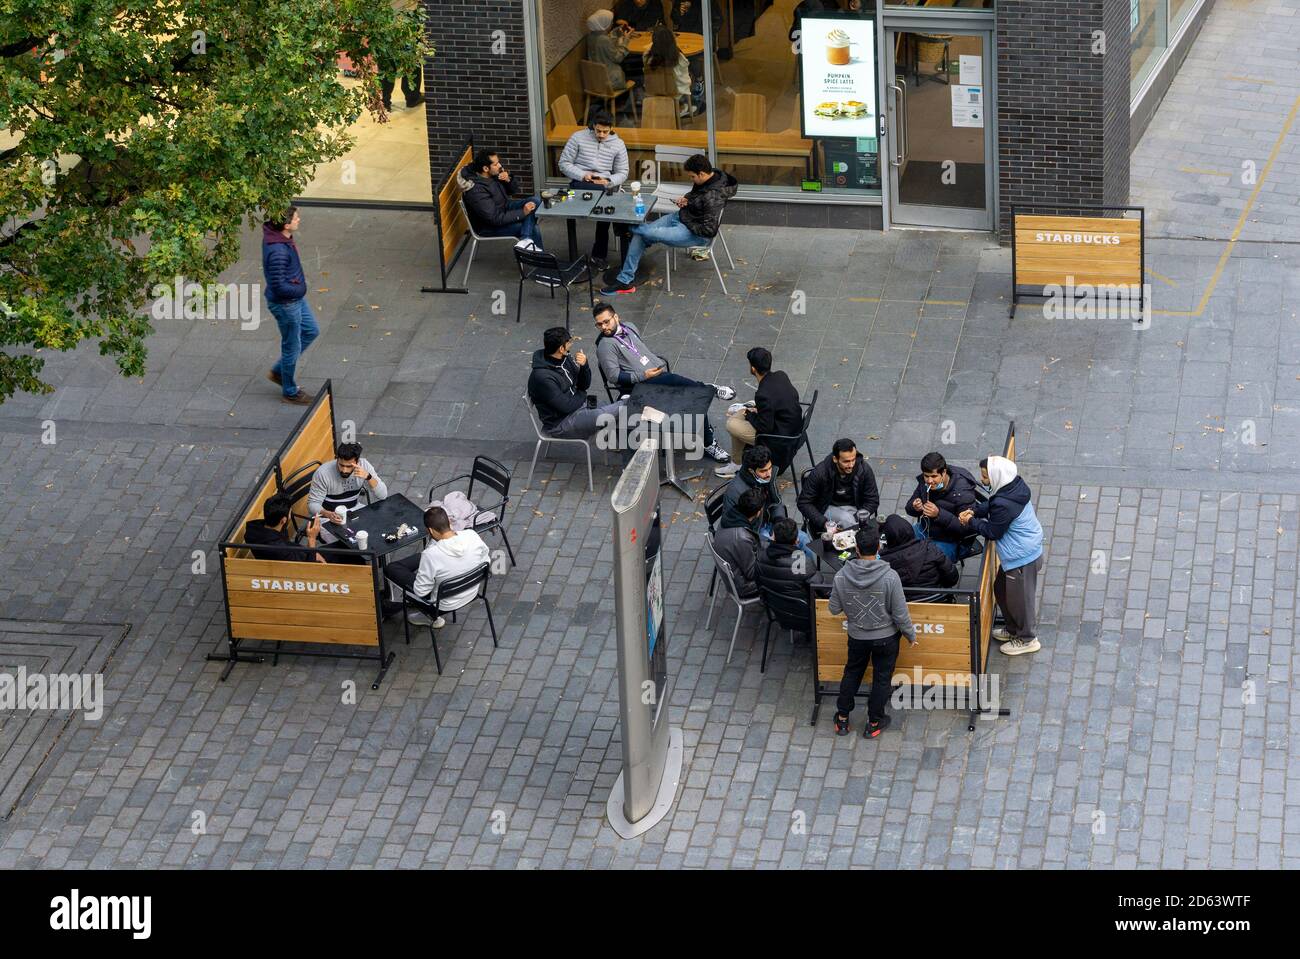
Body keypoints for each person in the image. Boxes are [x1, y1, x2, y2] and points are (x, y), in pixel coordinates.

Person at [593, 303, 733, 462]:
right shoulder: (605, 346)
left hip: (658, 376)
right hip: (640, 387)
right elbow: (613, 376)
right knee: (686, 387)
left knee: (694, 397)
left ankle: (709, 441)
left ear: (616, 317)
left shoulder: (630, 327)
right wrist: (642, 375)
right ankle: (708, 389)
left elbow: (638, 351)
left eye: (606, 321)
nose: (604, 327)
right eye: (599, 324)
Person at [600, 153, 737, 296]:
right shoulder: (711, 176)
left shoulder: (713, 197)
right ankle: (625, 281)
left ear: (701, 174)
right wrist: (687, 199)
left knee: (645, 232)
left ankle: (628, 227)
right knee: (641, 235)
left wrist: (687, 219)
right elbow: (697, 195)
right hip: (682, 217)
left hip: (695, 233)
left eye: (692, 177)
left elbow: (708, 230)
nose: (691, 179)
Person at [829, 522, 917, 739]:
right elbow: (899, 613)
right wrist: (910, 635)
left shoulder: (841, 576)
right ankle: (874, 722)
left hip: (857, 636)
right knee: (881, 678)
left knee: (852, 672)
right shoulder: (890, 577)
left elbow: (833, 608)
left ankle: (842, 718)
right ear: (879, 548)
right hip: (886, 638)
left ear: (856, 549)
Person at [958, 456, 1045, 656]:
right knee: (1001, 589)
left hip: (1022, 559)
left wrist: (971, 521)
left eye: (985, 476)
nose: (983, 480)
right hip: (1021, 555)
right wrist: (975, 510)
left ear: (997, 476)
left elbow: (993, 532)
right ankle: (1013, 629)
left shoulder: (1004, 504)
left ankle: (1027, 639)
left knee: (1020, 601)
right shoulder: (1013, 487)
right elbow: (992, 504)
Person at [383, 506, 491, 626]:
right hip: (471, 591)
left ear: (431, 530)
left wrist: (428, 560)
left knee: (391, 568)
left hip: (442, 605)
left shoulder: (431, 555)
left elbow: (421, 591)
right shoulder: (471, 535)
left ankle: (430, 617)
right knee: (427, 563)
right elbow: (486, 561)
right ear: (449, 522)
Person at [527, 326, 628, 440]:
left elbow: (584, 385)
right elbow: (567, 407)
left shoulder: (564, 357)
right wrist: (582, 394)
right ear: (561, 348)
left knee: (606, 407)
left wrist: (584, 365)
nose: (571, 344)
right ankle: (630, 401)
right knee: (601, 415)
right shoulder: (543, 378)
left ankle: (627, 404)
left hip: (576, 406)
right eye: (569, 342)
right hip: (559, 424)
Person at [558, 111, 628, 269]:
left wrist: (609, 180)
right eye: (598, 131)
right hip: (581, 181)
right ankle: (600, 253)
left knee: (605, 208)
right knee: (607, 206)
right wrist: (583, 175)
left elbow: (623, 172)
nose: (602, 135)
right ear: (592, 127)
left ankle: (598, 255)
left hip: (604, 183)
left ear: (611, 128)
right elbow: (564, 163)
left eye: (605, 131)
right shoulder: (577, 137)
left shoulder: (618, 144)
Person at [262, 207, 318, 405]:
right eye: (296, 218)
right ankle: (290, 391)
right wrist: (299, 290)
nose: (299, 219)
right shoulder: (278, 251)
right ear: (286, 225)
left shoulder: (280, 237)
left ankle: (278, 372)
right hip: (287, 304)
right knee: (291, 347)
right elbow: (278, 285)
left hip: (293, 300)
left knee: (311, 330)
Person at [720, 445, 817, 559]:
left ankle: (810, 572)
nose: (769, 474)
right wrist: (766, 539)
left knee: (804, 539)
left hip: (769, 524)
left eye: (770, 468)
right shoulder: (736, 492)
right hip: (754, 532)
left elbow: (776, 501)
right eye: (763, 471)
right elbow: (738, 528)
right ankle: (791, 573)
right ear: (751, 471)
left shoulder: (766, 478)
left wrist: (779, 522)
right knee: (782, 553)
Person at [718, 347, 802, 477]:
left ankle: (737, 464)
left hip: (778, 438)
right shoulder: (781, 375)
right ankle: (736, 461)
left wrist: (750, 414)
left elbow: (765, 428)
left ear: (753, 368)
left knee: (731, 424)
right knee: (745, 411)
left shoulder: (763, 394)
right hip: (792, 427)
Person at [904, 451, 981, 562]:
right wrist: (914, 507)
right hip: (925, 529)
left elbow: (967, 529)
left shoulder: (963, 494)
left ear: (944, 472)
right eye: (926, 476)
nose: (930, 481)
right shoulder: (925, 482)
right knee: (901, 544)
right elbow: (909, 509)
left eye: (934, 476)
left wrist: (938, 514)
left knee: (929, 565)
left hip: (950, 541)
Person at [459, 149, 543, 249]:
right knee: (533, 228)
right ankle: (538, 261)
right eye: (496, 164)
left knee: (535, 201)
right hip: (489, 227)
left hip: (504, 207)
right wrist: (522, 213)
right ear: (486, 168)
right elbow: (495, 219)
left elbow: (513, 191)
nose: (500, 166)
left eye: (498, 162)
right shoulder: (476, 190)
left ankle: (525, 240)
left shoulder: (492, 174)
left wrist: (508, 180)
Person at [796, 438, 880, 537]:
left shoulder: (864, 469)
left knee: (849, 521)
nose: (851, 465)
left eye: (853, 459)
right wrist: (823, 522)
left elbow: (873, 499)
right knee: (848, 520)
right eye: (846, 461)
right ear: (835, 459)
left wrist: (858, 516)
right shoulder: (820, 473)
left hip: (856, 509)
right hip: (826, 509)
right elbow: (803, 502)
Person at [307, 442, 388, 538]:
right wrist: (328, 514)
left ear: (357, 462)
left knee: (376, 531)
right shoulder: (323, 473)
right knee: (347, 541)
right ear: (337, 459)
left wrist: (369, 477)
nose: (344, 470)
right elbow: (312, 504)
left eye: (349, 466)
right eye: (341, 465)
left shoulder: (364, 466)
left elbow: (383, 495)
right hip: (328, 517)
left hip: (354, 509)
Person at [755, 517, 824, 621]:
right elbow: (821, 588)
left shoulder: (760, 556)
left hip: (775, 606)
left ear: (773, 537)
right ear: (796, 541)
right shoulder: (804, 563)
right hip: (802, 613)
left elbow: (758, 581)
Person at [879, 515, 958, 591]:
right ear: (910, 530)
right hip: (938, 600)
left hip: (905, 603)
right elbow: (952, 578)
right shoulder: (931, 549)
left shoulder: (883, 565)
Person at [712, 487, 765, 598]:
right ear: (758, 512)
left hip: (733, 569)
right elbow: (751, 573)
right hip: (743, 586)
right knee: (782, 576)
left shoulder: (731, 515)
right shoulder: (742, 538)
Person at [244, 495, 326, 564]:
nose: (291, 515)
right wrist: (312, 539)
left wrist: (311, 551)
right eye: (290, 513)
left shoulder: (256, 528)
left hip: (298, 555)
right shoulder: (278, 549)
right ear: (283, 520)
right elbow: (307, 568)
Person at [377, 0, 424, 111]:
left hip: (383, 15)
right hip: (407, 13)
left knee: (386, 62)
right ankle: (412, 97)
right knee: (411, 58)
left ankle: (384, 102)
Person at [645, 24, 694, 119]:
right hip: (673, 90)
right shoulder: (677, 56)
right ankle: (681, 107)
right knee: (691, 75)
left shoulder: (648, 56)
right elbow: (684, 76)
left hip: (654, 90)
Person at [586, 9, 632, 93]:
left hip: (595, 80)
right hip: (610, 81)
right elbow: (618, 58)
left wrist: (616, 32)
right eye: (610, 22)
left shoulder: (591, 37)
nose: (611, 24)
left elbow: (606, 43)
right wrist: (626, 40)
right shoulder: (604, 40)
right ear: (603, 23)